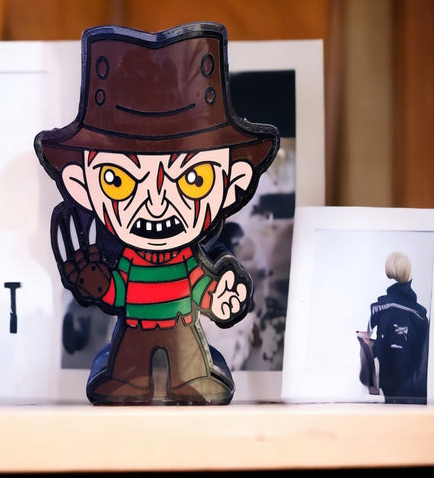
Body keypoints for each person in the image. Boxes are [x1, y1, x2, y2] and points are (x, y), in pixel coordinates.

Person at [34, 22, 279, 404]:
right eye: (119, 181)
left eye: (194, 180)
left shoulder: (190, 260)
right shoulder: (129, 260)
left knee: (190, 371)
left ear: (234, 182)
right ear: (80, 185)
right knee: (127, 372)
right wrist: (98, 285)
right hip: (134, 330)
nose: (157, 203)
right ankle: (129, 379)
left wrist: (220, 297)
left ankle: (189, 378)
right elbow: (118, 290)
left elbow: (202, 285)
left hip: (183, 330)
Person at [368, 251, 429, 404]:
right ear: (408, 274)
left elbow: (367, 345)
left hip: (383, 393)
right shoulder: (420, 315)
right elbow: (423, 361)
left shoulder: (378, 309)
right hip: (412, 396)